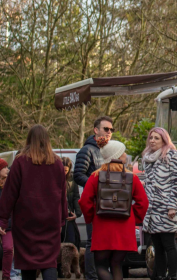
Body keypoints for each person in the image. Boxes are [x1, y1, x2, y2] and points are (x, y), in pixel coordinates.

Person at [0, 125, 67, 280]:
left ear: (29, 140)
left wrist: (2, 218)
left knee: (27, 262)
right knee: (49, 262)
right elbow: (63, 194)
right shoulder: (57, 163)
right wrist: (62, 219)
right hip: (51, 220)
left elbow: (9, 193)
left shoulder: (20, 162)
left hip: (25, 220)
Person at [79, 140, 149, 280]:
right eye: (123, 152)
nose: (125, 155)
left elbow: (84, 201)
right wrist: (133, 218)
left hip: (102, 227)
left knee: (101, 266)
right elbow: (143, 202)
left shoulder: (95, 177)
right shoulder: (132, 177)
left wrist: (92, 217)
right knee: (117, 264)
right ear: (117, 155)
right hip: (124, 228)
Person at [141, 128, 177, 280]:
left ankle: (172, 276)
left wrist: (173, 205)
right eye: (151, 137)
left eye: (156, 138)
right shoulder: (147, 158)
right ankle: (160, 276)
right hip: (151, 210)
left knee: (168, 245)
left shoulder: (172, 155)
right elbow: (148, 183)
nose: (152, 140)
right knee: (157, 247)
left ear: (164, 140)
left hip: (166, 209)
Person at [74, 115, 114, 280]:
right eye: (106, 129)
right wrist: (96, 185)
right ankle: (91, 277)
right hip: (93, 203)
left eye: (111, 129)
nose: (109, 132)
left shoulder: (108, 150)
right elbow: (77, 175)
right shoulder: (87, 150)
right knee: (93, 243)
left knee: (107, 243)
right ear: (96, 130)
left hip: (109, 202)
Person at [61, 157, 82, 249]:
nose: (64, 172)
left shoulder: (72, 181)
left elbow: (76, 197)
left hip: (69, 215)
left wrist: (77, 213)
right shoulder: (52, 179)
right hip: (57, 216)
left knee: (72, 241)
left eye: (66, 170)